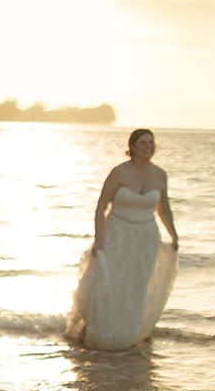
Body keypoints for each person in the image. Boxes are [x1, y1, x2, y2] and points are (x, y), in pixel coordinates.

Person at [66, 128, 179, 350]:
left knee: (135, 288)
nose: (148, 146)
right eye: (143, 143)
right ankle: (94, 331)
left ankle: (127, 336)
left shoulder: (160, 175)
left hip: (146, 238)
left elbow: (163, 209)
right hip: (116, 234)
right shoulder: (119, 172)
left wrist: (174, 235)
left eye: (151, 142)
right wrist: (99, 239)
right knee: (108, 284)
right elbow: (101, 206)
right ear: (133, 147)